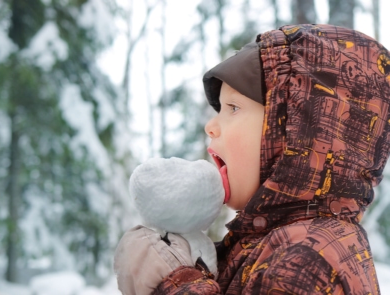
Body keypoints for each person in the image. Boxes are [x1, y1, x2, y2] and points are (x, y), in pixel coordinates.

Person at [114, 24, 390, 294]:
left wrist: (175, 283)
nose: (211, 126)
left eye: (233, 108)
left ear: (298, 131)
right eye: (220, 108)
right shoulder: (277, 242)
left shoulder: (306, 258)